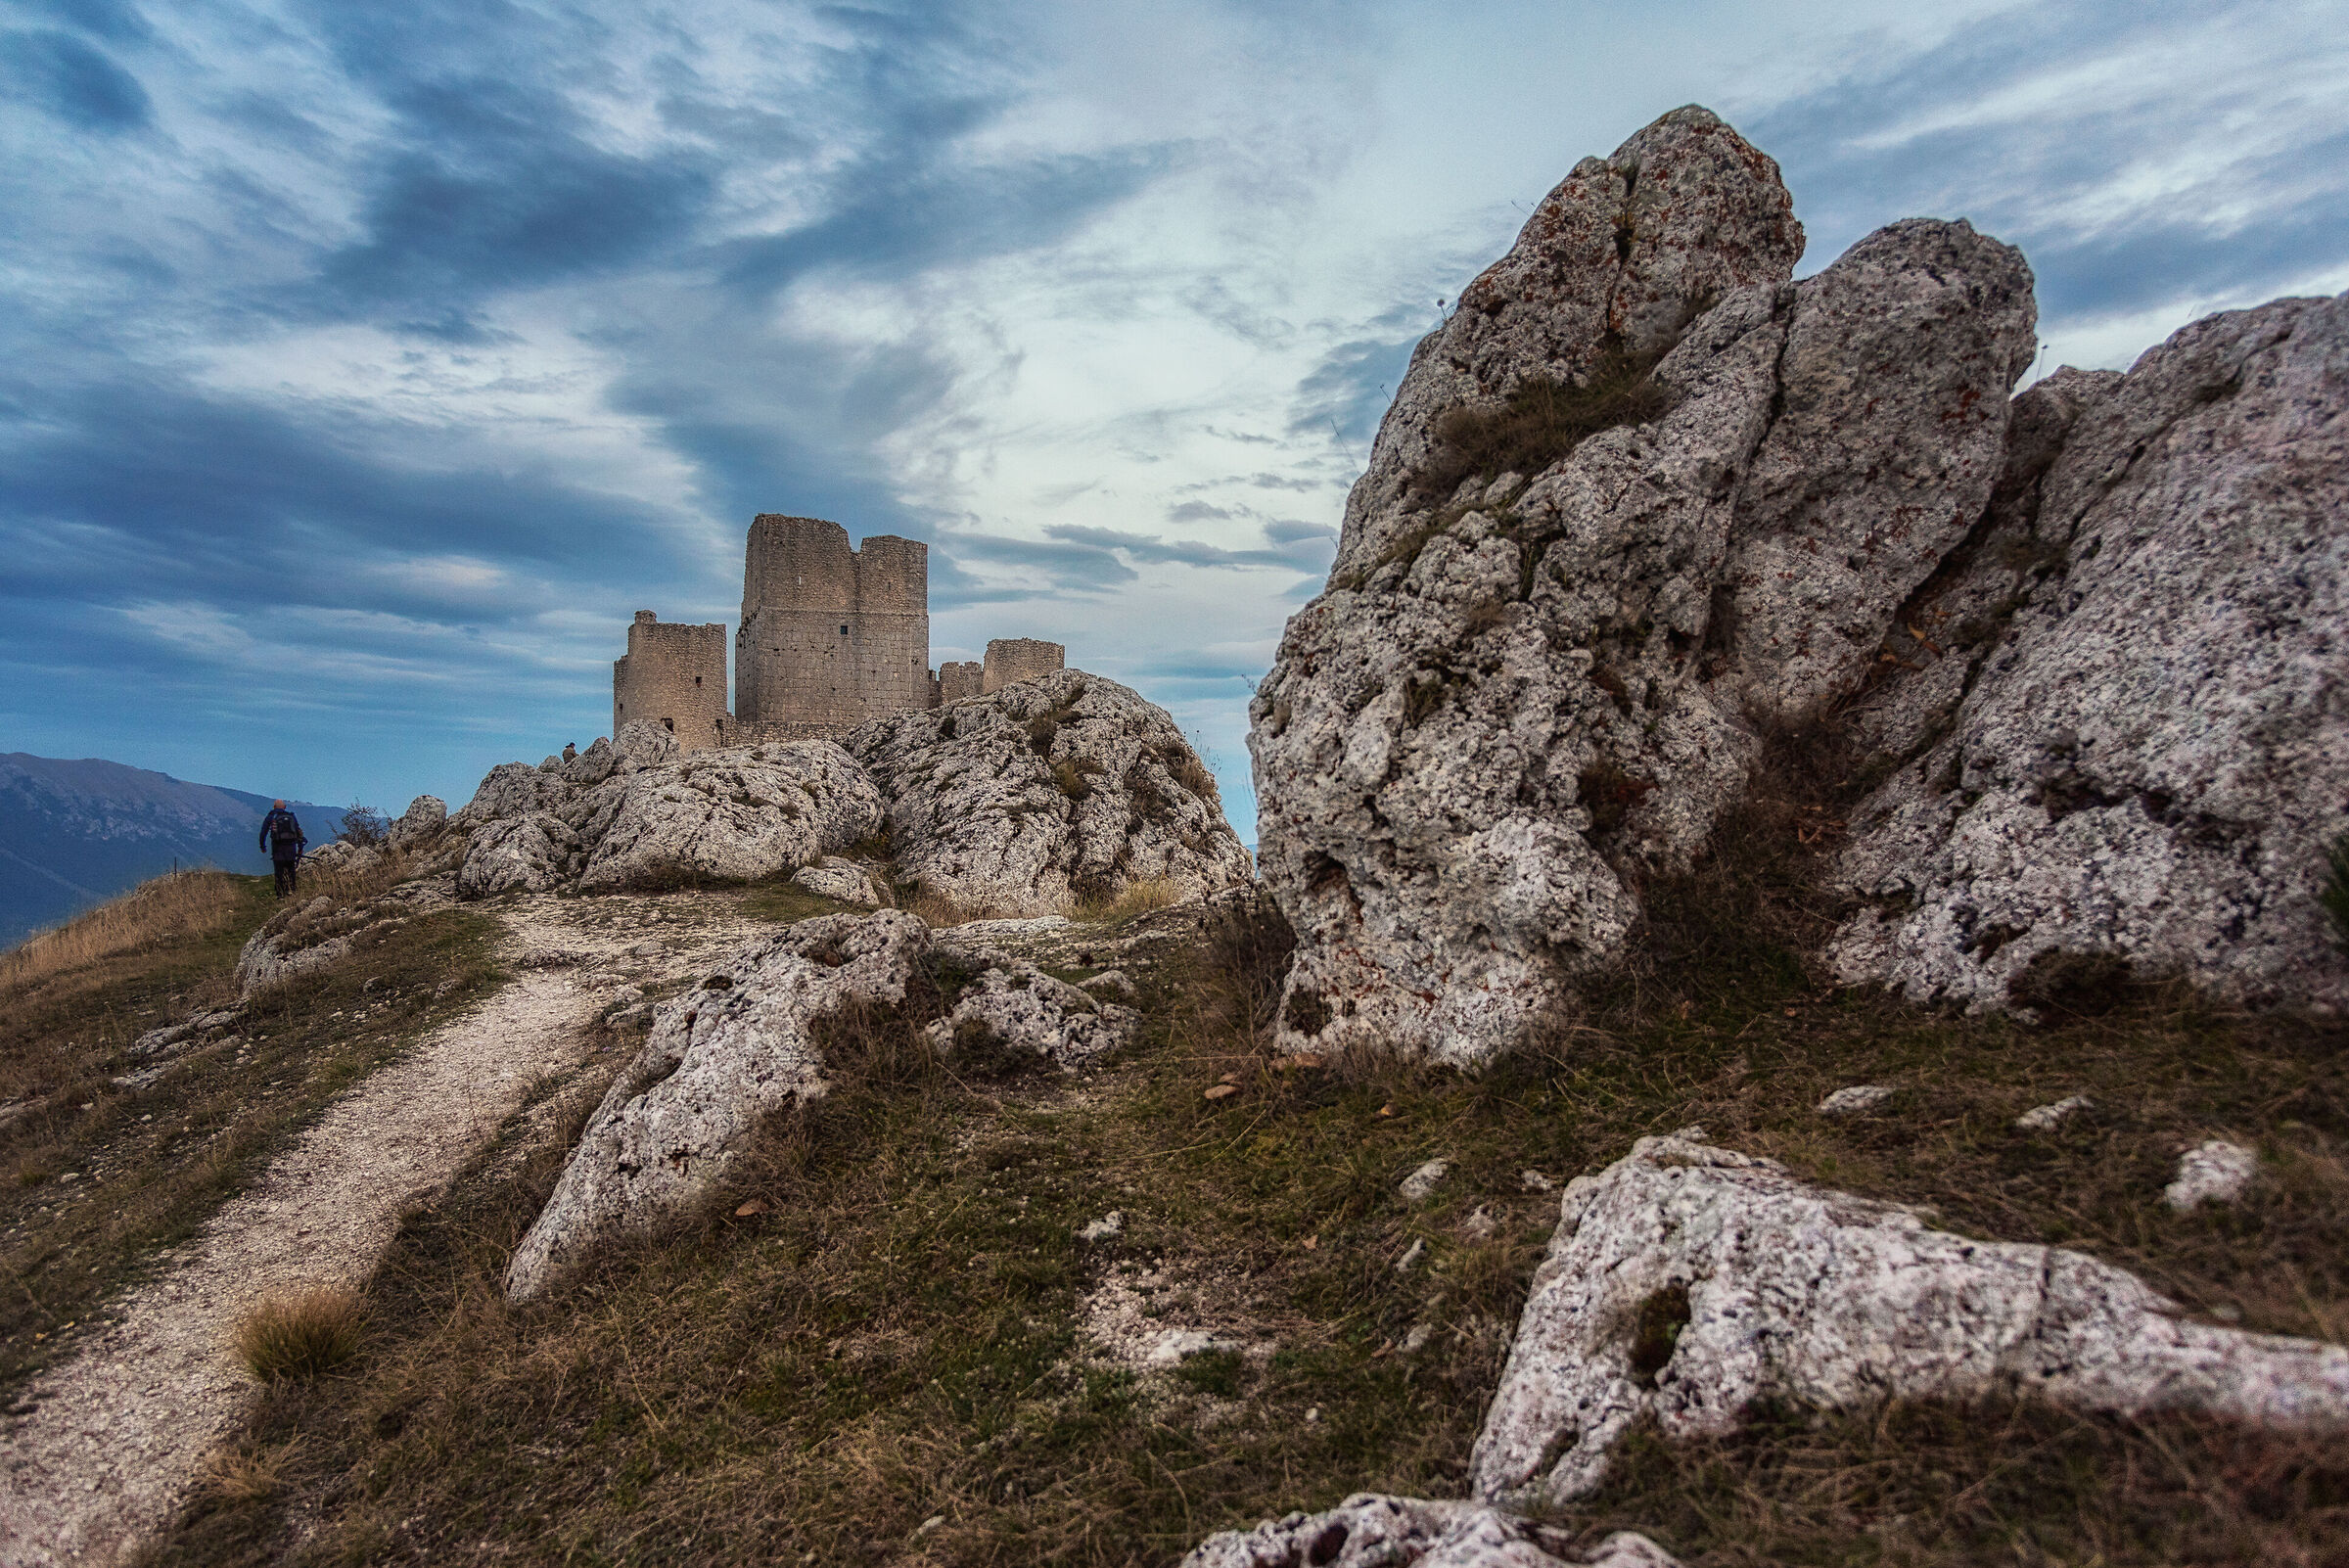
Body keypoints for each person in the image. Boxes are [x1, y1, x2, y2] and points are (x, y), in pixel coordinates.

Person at [259, 800, 306, 897]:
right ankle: (292, 890)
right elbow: (298, 832)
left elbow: (263, 832)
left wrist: (263, 846)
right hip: (291, 847)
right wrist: (300, 847)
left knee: (279, 870)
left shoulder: (271, 817)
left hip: (278, 847)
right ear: (284, 807)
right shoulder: (291, 816)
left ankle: (280, 893)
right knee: (291, 869)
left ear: (274, 807)